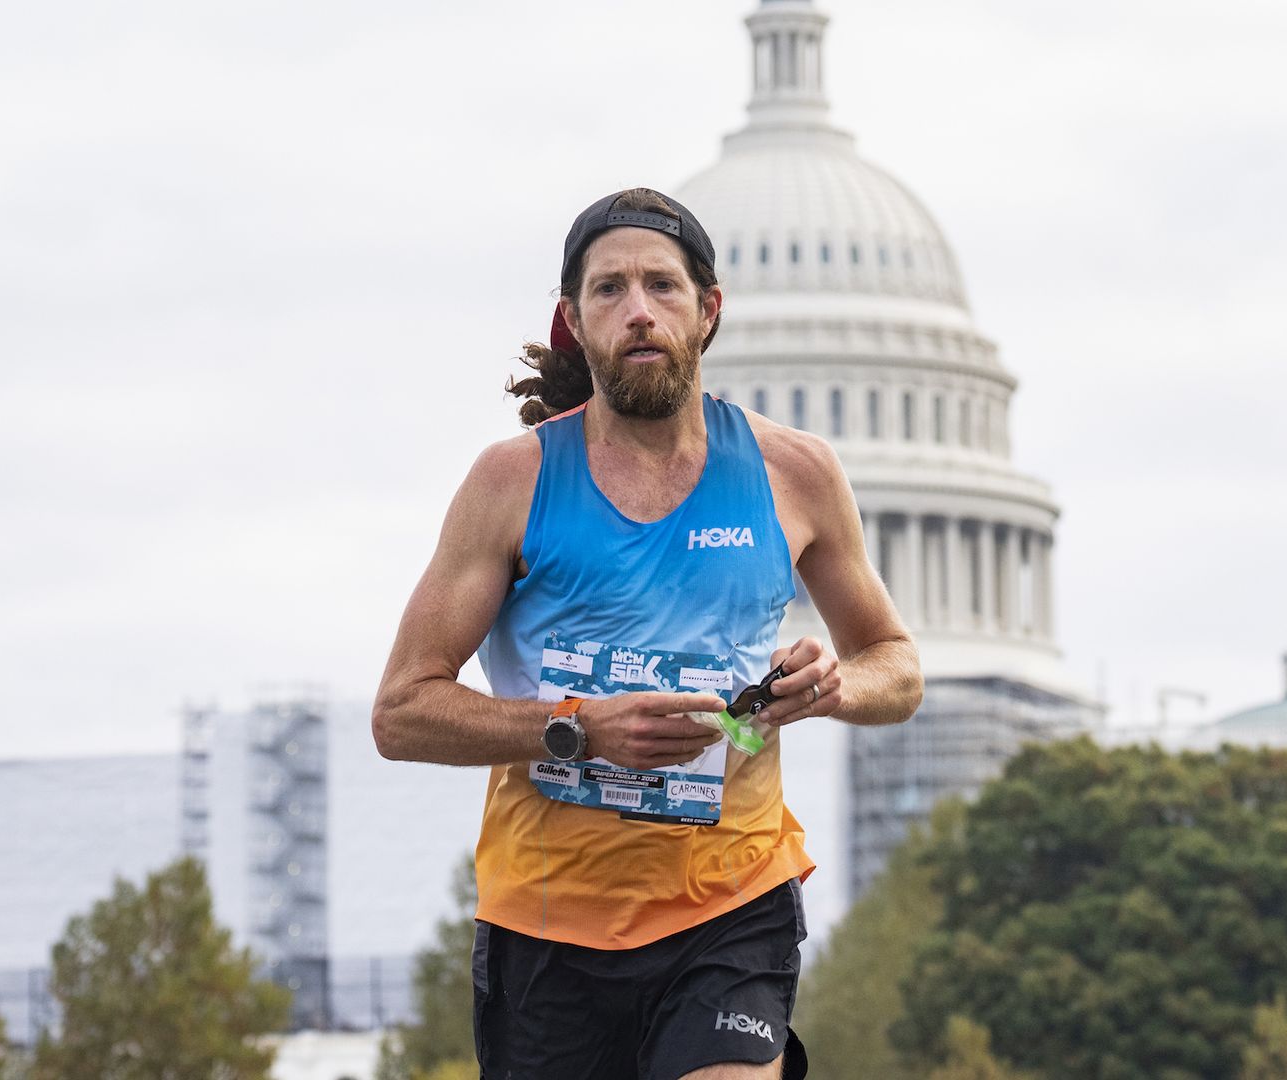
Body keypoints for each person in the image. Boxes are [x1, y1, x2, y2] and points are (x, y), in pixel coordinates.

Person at [372, 186, 921, 1080]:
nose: (638, 311)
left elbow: (896, 666)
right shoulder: (510, 484)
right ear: (573, 321)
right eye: (609, 291)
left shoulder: (795, 475)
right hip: (546, 925)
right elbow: (401, 712)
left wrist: (833, 687)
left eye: (662, 287)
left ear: (708, 311)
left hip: (730, 903)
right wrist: (578, 727)